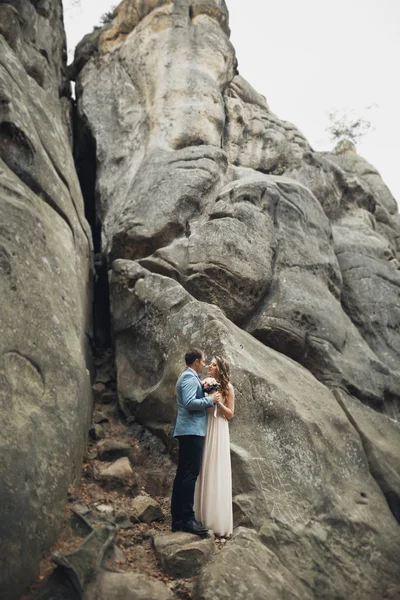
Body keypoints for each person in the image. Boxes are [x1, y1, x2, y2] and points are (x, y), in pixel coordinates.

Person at [171, 348, 220, 535]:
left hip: (187, 431)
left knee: (183, 474)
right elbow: (191, 403)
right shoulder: (189, 378)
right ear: (197, 361)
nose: (205, 364)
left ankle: (178, 520)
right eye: (204, 360)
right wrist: (210, 400)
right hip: (191, 431)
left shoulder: (187, 377)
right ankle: (187, 519)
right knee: (190, 475)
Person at [194, 356, 234, 537]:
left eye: (214, 364)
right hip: (205, 425)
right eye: (209, 363)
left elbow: (230, 414)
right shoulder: (203, 383)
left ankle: (215, 519)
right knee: (203, 467)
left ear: (220, 369)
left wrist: (218, 403)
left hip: (219, 428)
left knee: (216, 468)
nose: (209, 366)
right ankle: (199, 516)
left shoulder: (228, 388)